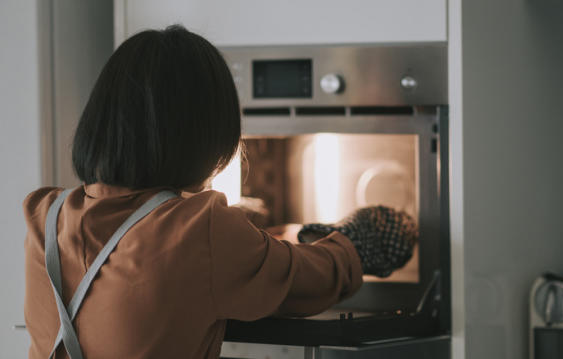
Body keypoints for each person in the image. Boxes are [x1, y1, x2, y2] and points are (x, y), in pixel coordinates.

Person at [23, 25, 416, 359]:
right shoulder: (197, 229)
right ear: (200, 135)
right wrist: (356, 242)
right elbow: (308, 281)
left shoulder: (46, 216)